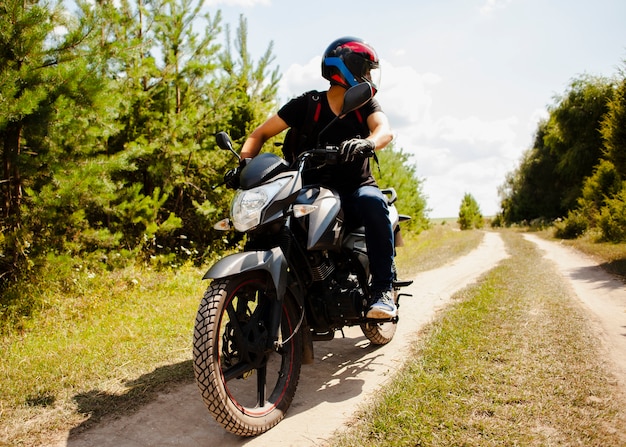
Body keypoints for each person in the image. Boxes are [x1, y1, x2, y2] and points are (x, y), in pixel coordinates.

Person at [238, 36, 396, 319]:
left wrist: (368, 143)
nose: (370, 77)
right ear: (349, 68)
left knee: (374, 202)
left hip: (354, 188)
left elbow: (384, 130)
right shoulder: (307, 105)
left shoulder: (366, 105)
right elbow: (258, 134)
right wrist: (244, 164)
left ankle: (383, 289)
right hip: (309, 188)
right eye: (367, 69)